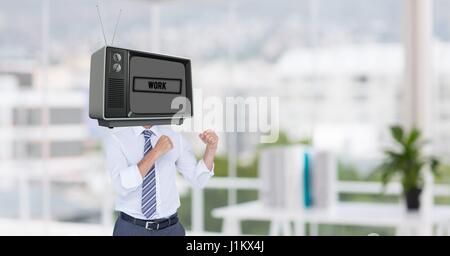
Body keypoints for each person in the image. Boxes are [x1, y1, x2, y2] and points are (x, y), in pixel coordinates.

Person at [104, 124, 218, 236]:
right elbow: (122, 186)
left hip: (171, 229)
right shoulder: (117, 139)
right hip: (131, 229)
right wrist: (155, 152)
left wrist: (211, 149)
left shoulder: (175, 137)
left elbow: (198, 180)